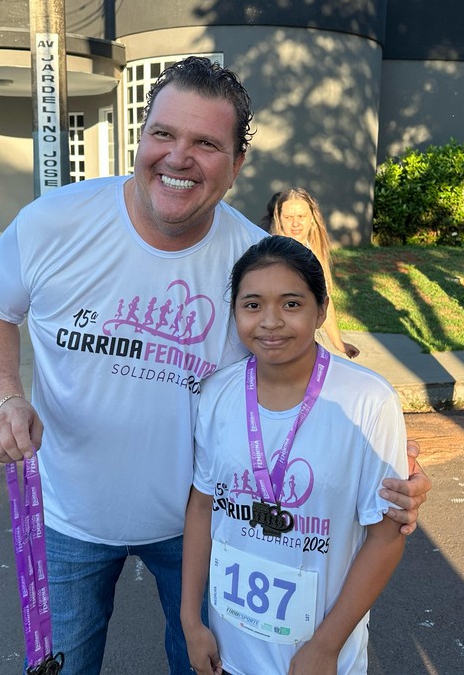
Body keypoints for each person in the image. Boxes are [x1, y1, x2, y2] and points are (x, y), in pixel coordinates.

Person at [0, 57, 430, 675]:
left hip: (204, 526)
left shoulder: (252, 264)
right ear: (141, 138)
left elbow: (307, 378)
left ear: (236, 166)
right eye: (163, 134)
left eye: (205, 143)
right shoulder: (55, 222)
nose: (177, 157)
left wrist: (388, 469)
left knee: (203, 666)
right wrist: (5, 398)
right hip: (68, 513)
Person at [181, 236, 406, 675]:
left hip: (317, 659)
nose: (270, 322)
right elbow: (203, 505)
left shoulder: (366, 400)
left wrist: (325, 647)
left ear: (321, 310)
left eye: (290, 304)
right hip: (230, 650)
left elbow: (386, 537)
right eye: (252, 305)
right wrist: (192, 620)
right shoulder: (216, 393)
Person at [271, 188, 360, 359]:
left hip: (302, 343)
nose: (295, 223)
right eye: (288, 217)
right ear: (279, 219)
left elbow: (324, 300)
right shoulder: (270, 255)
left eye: (301, 217)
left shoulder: (314, 251)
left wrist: (339, 343)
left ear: (312, 218)